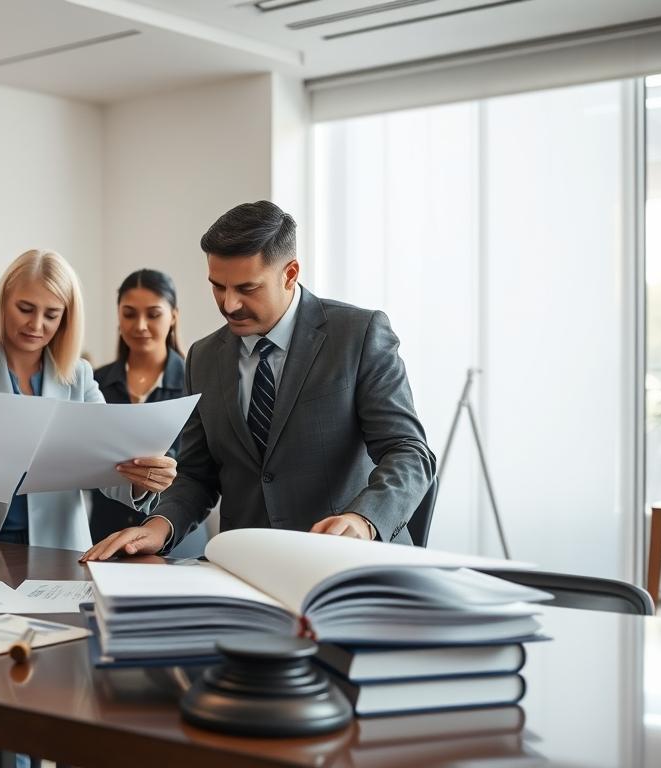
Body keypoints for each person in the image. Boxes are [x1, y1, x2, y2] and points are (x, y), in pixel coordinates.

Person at [83, 201, 435, 561]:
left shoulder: (358, 335)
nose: (229, 304)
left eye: (246, 288)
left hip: (346, 564)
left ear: (290, 273)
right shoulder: (203, 358)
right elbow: (197, 477)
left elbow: (409, 452)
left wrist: (363, 520)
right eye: (217, 286)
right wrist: (157, 527)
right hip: (245, 569)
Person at [0, 249, 178, 550]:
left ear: (66, 318)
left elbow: (108, 465)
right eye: (25, 308)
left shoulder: (78, 377)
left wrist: (141, 478)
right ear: (3, 304)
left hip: (59, 547)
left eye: (51, 314)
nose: (36, 325)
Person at [88, 269, 190, 545]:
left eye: (153, 314)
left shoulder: (195, 383)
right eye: (130, 314)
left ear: (174, 317)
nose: (141, 325)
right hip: (105, 537)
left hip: (176, 541)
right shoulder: (94, 383)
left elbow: (203, 471)